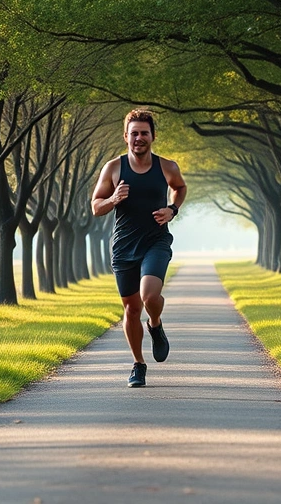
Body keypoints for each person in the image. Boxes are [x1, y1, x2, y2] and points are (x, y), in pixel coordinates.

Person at [91, 109, 187, 387]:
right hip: (123, 247)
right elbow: (96, 207)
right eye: (134, 133)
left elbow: (179, 188)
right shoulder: (113, 168)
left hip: (156, 241)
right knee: (132, 310)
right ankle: (138, 364)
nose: (139, 138)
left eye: (144, 133)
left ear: (152, 136)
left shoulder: (167, 166)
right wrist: (113, 199)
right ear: (126, 137)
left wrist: (172, 209)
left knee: (149, 295)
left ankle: (155, 323)